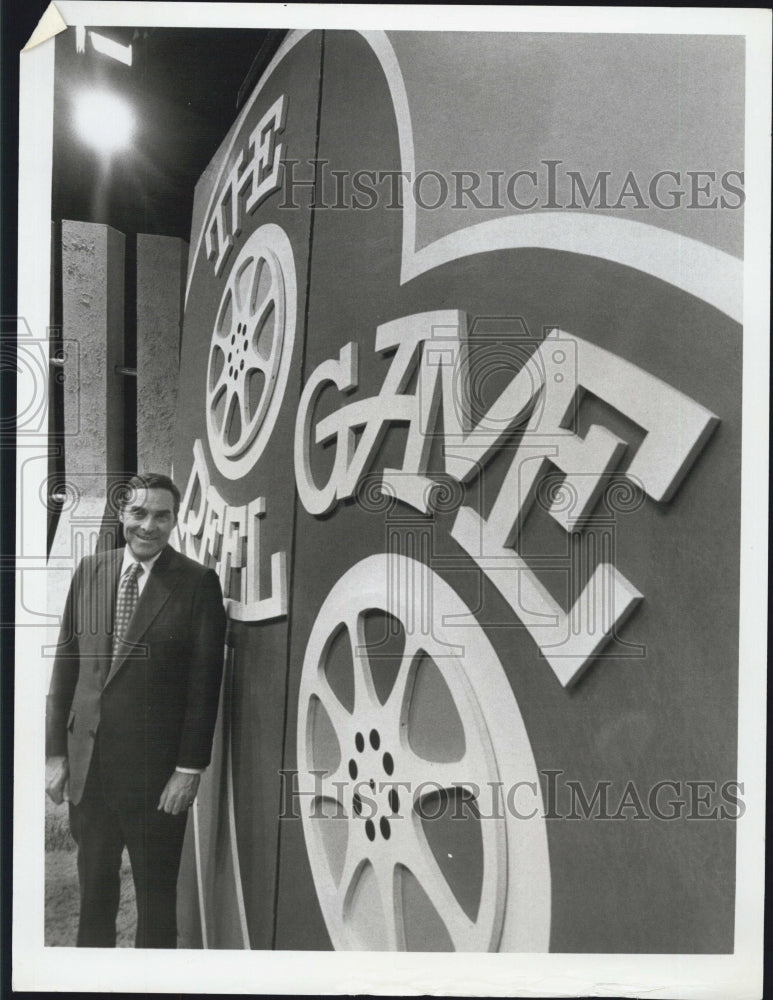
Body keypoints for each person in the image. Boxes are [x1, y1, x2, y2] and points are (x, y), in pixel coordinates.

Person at [45, 472, 227, 948]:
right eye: (139, 513)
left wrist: (189, 770)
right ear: (122, 513)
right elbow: (66, 668)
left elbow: (204, 687)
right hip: (91, 777)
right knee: (94, 906)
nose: (149, 526)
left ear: (175, 520)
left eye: (161, 515)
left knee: (156, 913)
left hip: (157, 782)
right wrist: (56, 756)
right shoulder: (91, 570)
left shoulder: (197, 584)